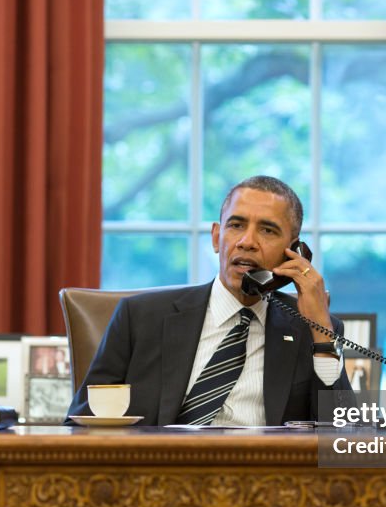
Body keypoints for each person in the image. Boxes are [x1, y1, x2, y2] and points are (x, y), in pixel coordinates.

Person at [67, 175, 355, 426]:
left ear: (294, 251)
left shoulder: (310, 329)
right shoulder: (140, 318)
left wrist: (320, 330)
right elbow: (79, 425)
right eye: (237, 225)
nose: (247, 241)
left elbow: (347, 442)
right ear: (217, 237)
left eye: (267, 230)